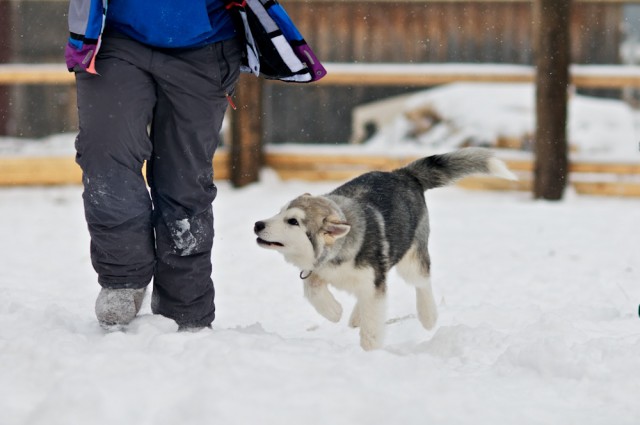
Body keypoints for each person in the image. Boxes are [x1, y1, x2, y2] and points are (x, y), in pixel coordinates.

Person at [65, 0, 242, 330]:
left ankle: (184, 298)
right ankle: (123, 276)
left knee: (185, 176)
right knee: (106, 152)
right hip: (115, 38)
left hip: (206, 43)